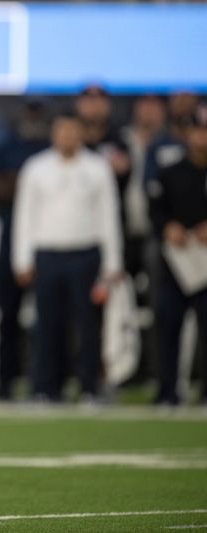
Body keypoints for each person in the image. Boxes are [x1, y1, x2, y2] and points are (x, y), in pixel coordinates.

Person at [12, 112, 123, 402]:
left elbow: (108, 216)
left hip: (85, 254)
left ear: (82, 134)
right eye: (61, 131)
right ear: (53, 134)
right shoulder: (36, 168)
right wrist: (22, 259)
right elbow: (25, 215)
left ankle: (89, 387)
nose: (67, 137)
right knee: (47, 325)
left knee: (87, 326)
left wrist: (113, 262)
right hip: (48, 254)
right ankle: (46, 388)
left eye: (73, 131)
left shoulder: (97, 168)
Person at [0, 98, 50, 400]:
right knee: (7, 312)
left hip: (46, 235)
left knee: (49, 316)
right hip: (10, 234)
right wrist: (16, 185)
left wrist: (14, 184)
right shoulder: (7, 146)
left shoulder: (48, 148)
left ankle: (45, 383)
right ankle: (5, 381)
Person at [147, 105, 207, 406]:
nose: (202, 137)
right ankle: (167, 390)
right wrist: (167, 227)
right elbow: (155, 209)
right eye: (197, 130)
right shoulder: (171, 170)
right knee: (168, 324)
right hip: (176, 259)